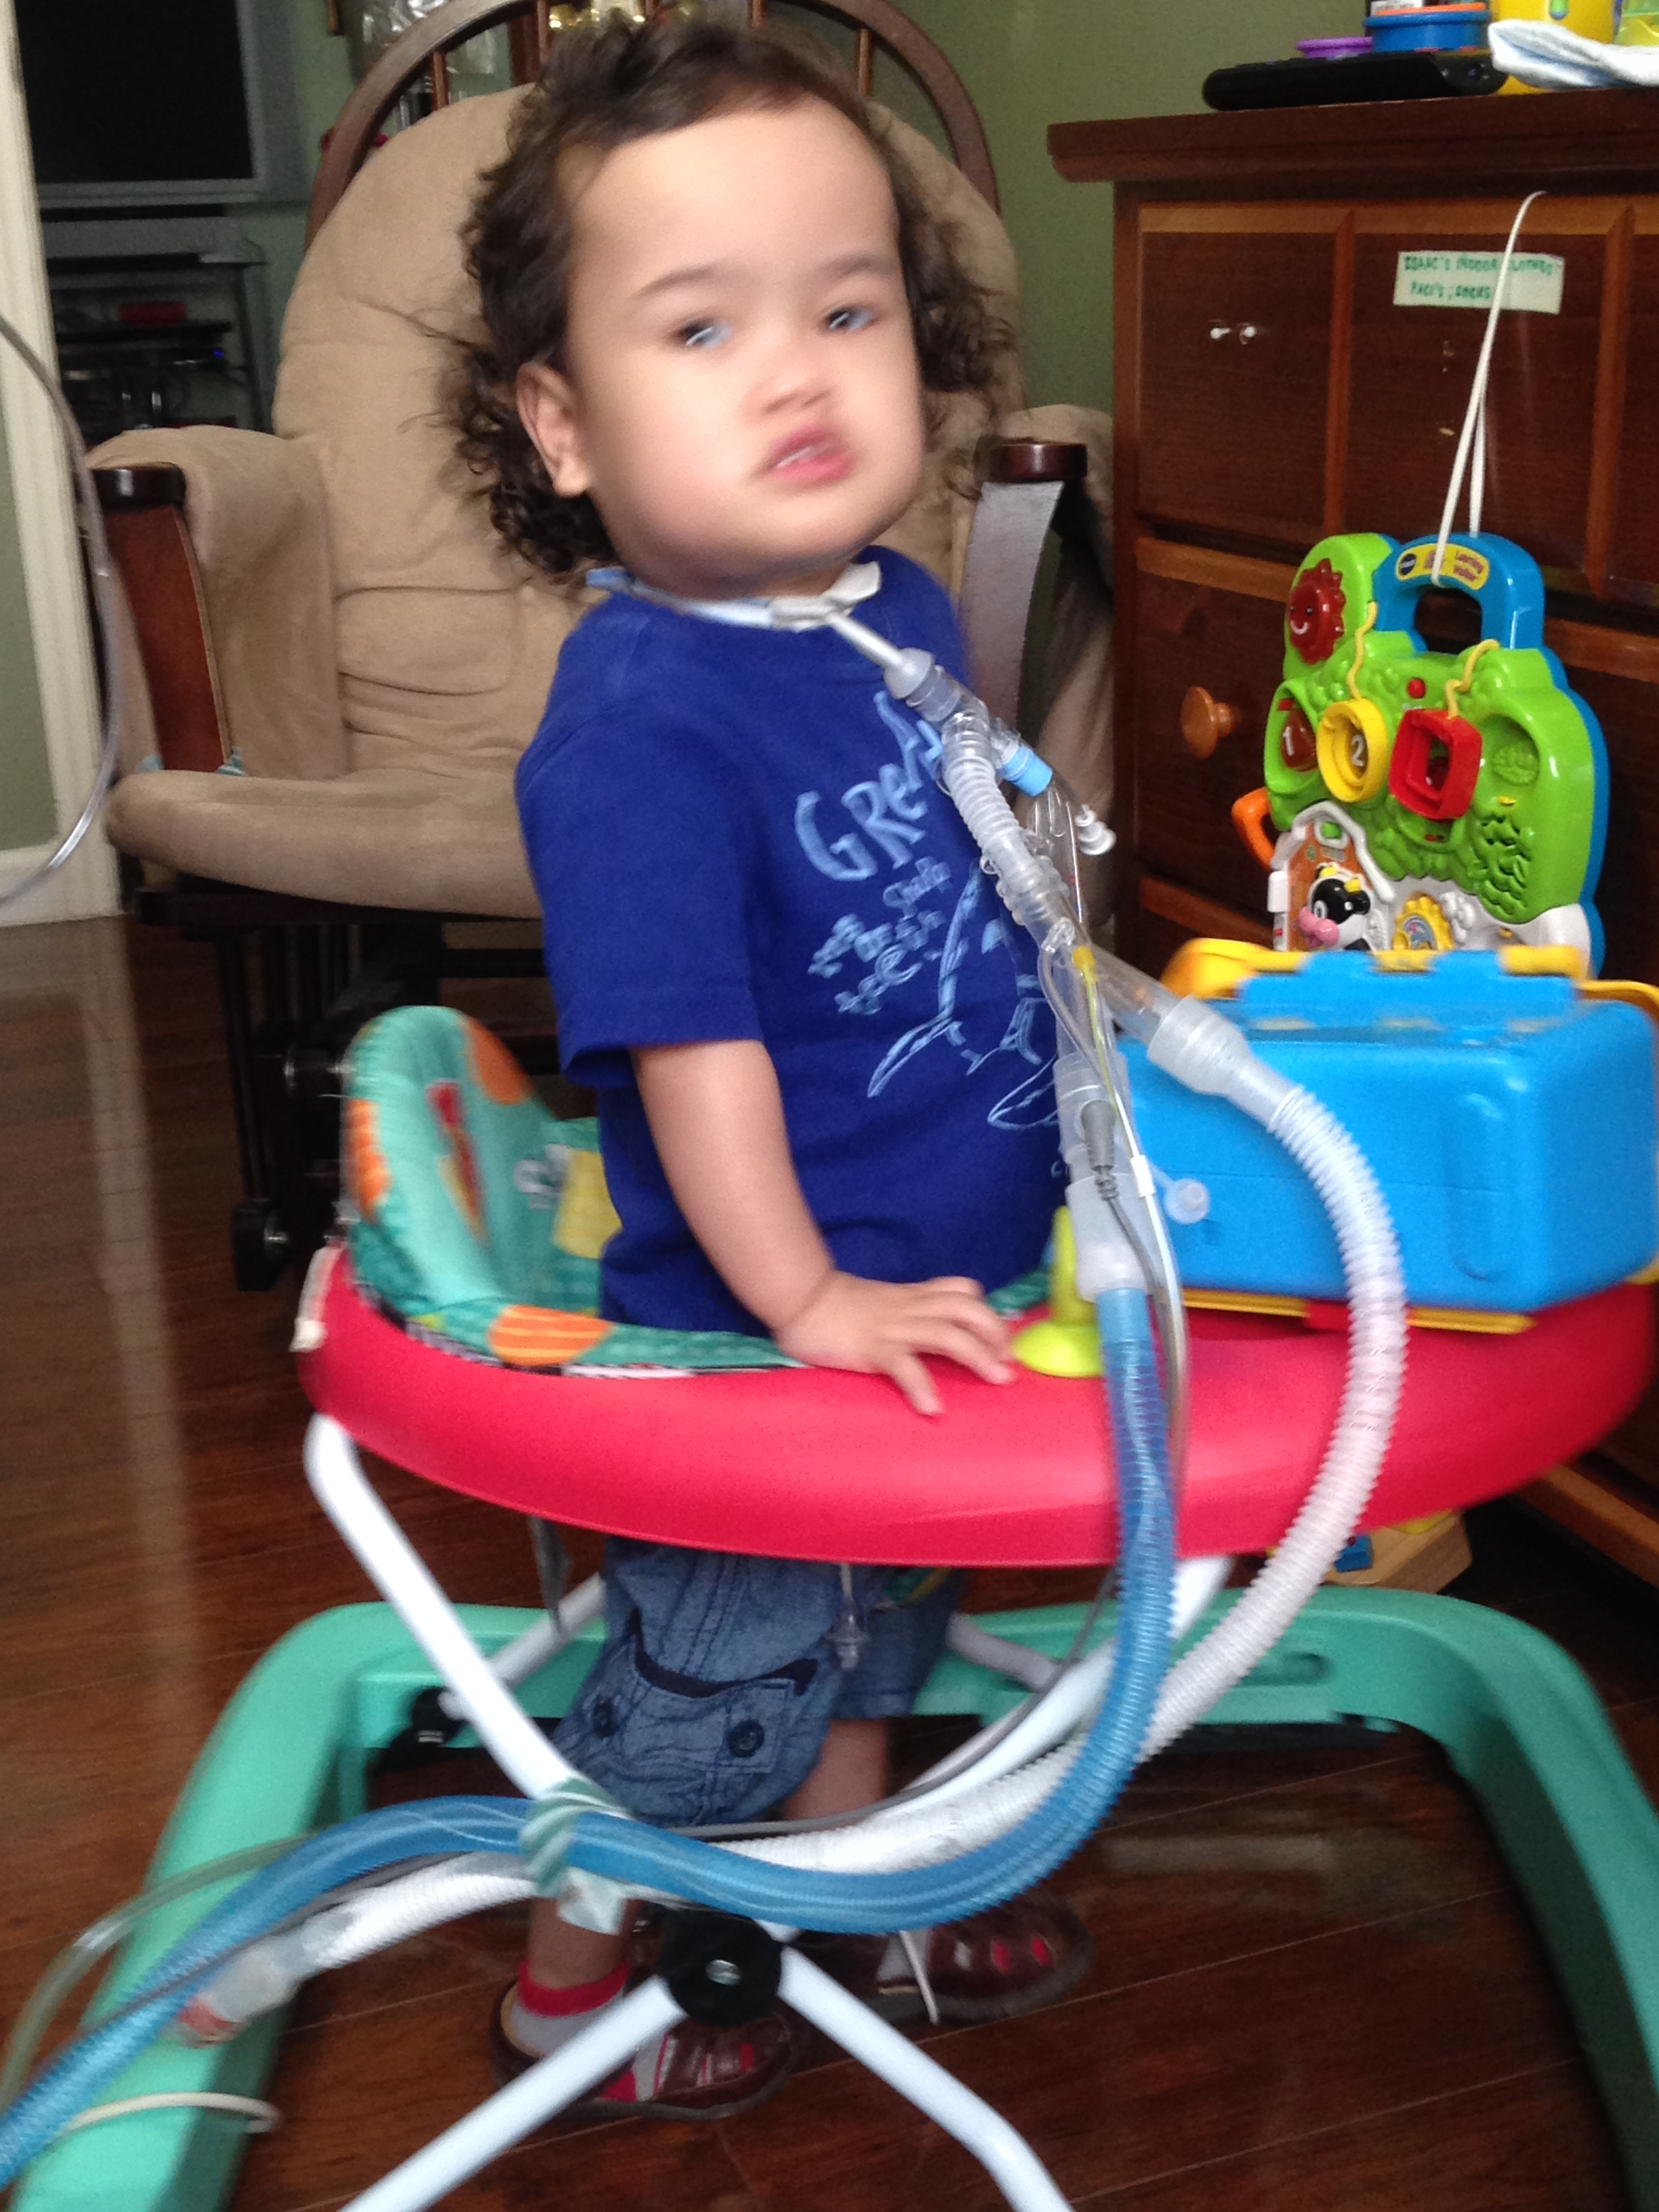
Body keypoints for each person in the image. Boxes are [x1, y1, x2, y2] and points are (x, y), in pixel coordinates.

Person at [457, 13, 1086, 2119]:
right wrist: (806, 1301)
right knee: (708, 1694)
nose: (799, 372)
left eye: (849, 307)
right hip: (758, 1339)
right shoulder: (639, 728)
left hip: (936, 1285)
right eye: (703, 329)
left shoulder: (890, 605)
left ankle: (850, 1895)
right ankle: (570, 1978)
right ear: (564, 426)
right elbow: (698, 1057)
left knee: (878, 1632)